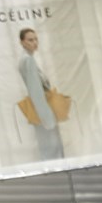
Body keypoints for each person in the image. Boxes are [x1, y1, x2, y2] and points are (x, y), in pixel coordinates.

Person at [18, 27, 65, 161]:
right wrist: (47, 118)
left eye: (36, 39)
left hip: (41, 108)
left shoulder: (26, 59)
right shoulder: (28, 60)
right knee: (51, 147)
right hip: (42, 110)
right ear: (22, 42)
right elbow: (36, 91)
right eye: (30, 40)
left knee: (48, 146)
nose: (34, 43)